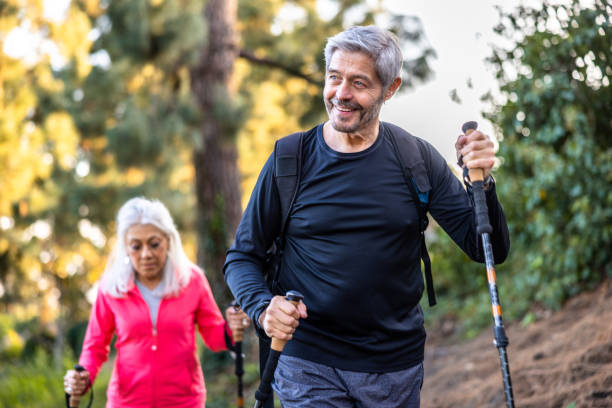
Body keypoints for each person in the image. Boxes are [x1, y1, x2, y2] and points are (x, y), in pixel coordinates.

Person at [224, 25, 510, 407]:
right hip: (307, 359)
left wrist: (482, 184)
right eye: (334, 78)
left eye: (359, 83)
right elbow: (242, 256)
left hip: (393, 366)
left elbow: (485, 246)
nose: (341, 94)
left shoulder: (416, 159)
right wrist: (263, 308)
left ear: (390, 88)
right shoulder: (290, 159)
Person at [63, 197, 250, 407]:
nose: (146, 254)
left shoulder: (192, 280)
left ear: (168, 240)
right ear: (125, 247)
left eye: (154, 244)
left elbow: (214, 335)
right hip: (127, 402)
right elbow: (95, 346)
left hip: (184, 401)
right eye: (136, 246)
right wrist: (83, 377)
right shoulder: (111, 287)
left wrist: (231, 329)